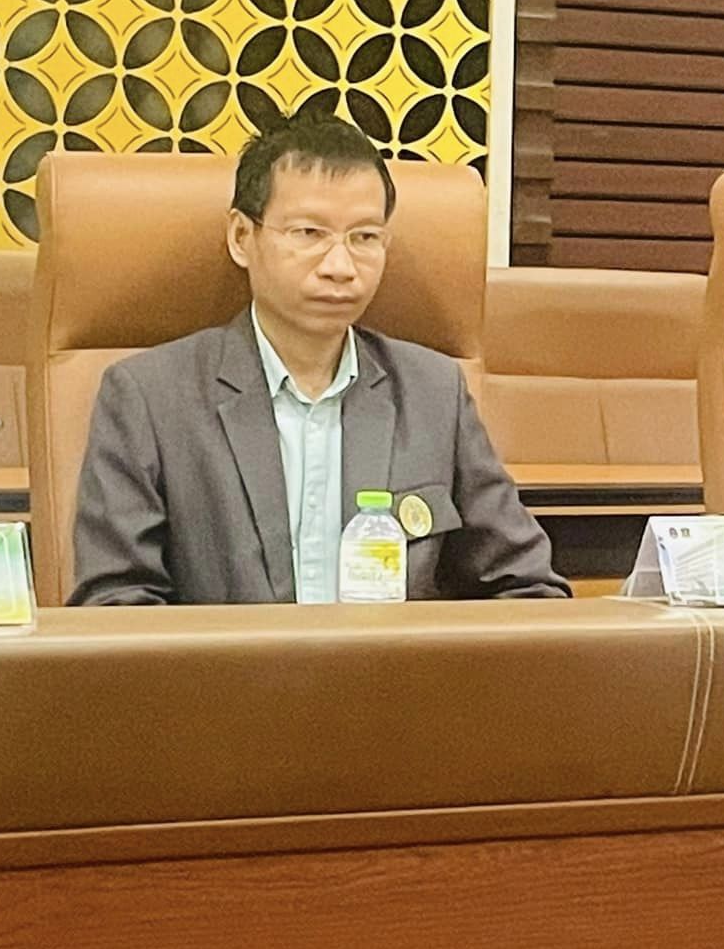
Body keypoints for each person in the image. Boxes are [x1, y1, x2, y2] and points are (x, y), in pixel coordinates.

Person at [70, 114, 570, 605]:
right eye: (309, 233)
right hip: (221, 665)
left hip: (390, 664)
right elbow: (115, 606)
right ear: (241, 237)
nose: (340, 266)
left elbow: (529, 587)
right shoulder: (149, 398)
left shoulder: (433, 392)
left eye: (365, 237)